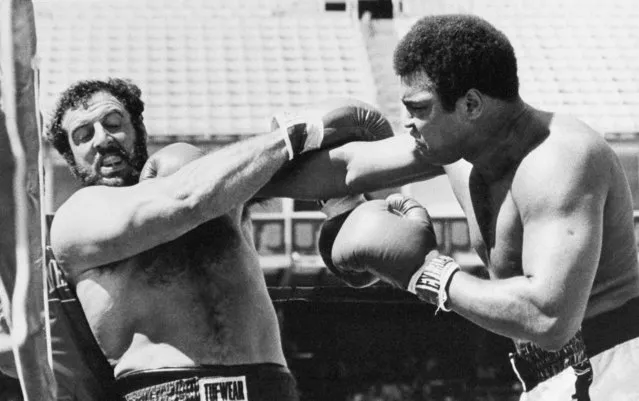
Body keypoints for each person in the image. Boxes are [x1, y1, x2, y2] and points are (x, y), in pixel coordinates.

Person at [268, 14, 639, 400]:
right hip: (549, 378)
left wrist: (427, 272)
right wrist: (252, 168)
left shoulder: (558, 159)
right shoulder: (456, 149)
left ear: (471, 104)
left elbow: (548, 318)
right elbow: (348, 168)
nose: (408, 124)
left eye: (419, 108)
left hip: (612, 370)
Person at [45, 77, 393, 400]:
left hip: (269, 386)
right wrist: (296, 134)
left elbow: (336, 168)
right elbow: (185, 201)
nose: (102, 139)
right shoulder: (78, 218)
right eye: (83, 135)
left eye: (113, 123)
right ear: (70, 157)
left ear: (137, 129)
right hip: (168, 389)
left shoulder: (214, 187)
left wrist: (430, 151)